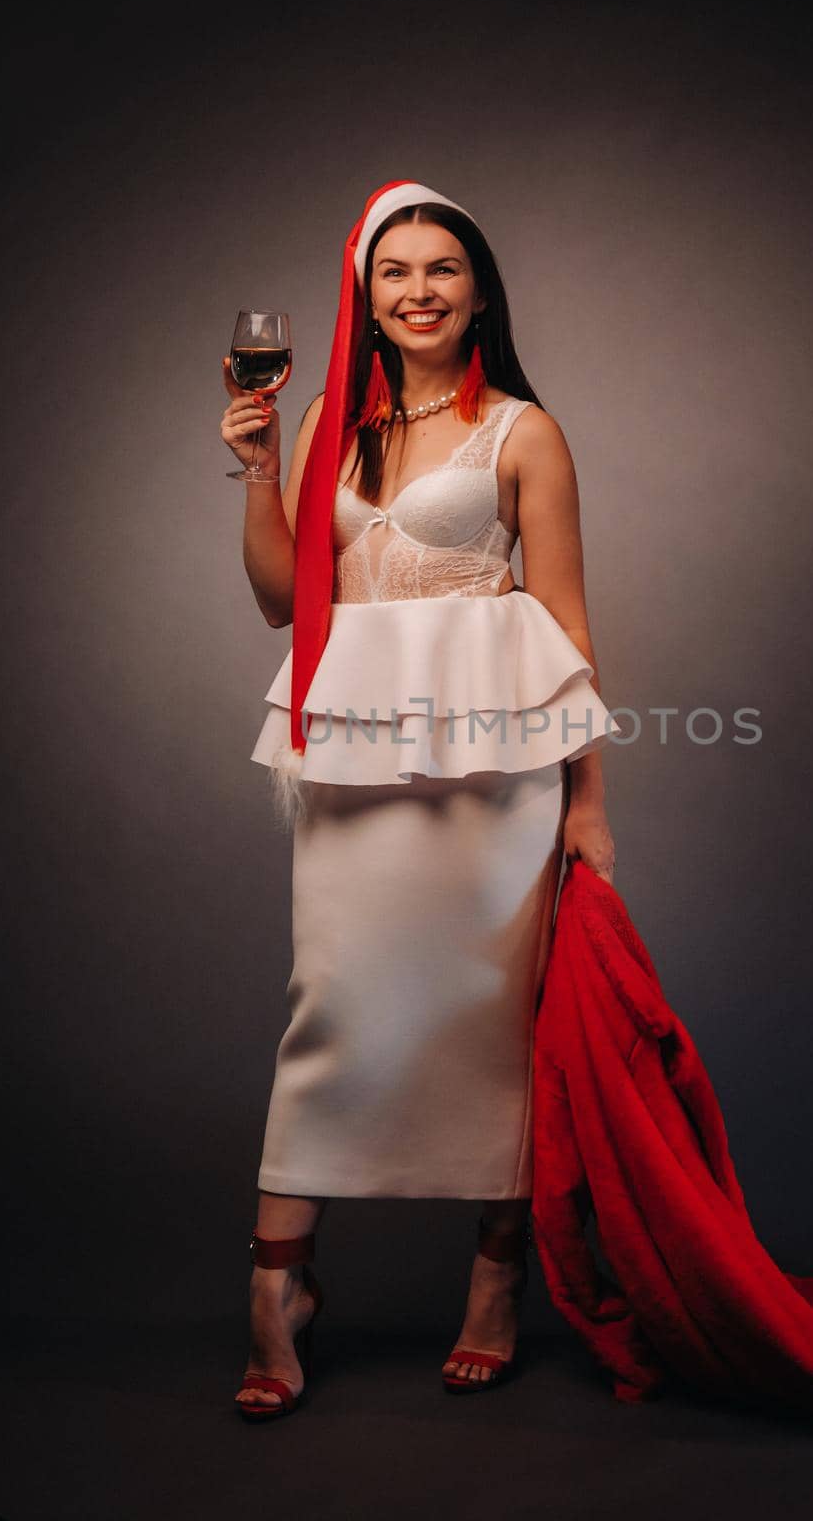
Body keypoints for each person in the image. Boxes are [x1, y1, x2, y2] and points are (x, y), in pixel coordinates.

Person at [220, 180, 622, 1417]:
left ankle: (496, 1274)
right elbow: (286, 600)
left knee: (491, 1013)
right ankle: (279, 1286)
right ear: (366, 296)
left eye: (441, 267)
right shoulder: (334, 425)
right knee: (330, 1004)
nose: (418, 288)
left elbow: (564, 621)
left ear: (479, 292)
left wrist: (589, 805)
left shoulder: (522, 430)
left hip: (493, 767)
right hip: (351, 755)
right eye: (393, 271)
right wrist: (259, 472)